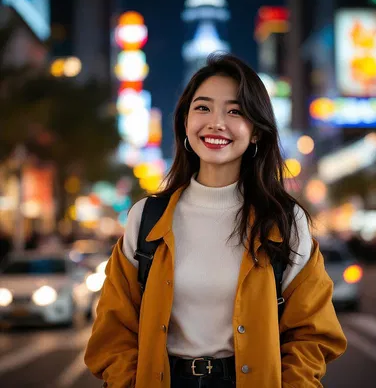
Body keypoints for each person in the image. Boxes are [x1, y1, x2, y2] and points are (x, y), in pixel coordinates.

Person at [85, 54, 347, 388]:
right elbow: (113, 326)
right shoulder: (147, 217)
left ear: (255, 132)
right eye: (203, 108)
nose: (216, 123)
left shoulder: (285, 221)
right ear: (185, 122)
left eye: (235, 111)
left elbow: (314, 332)